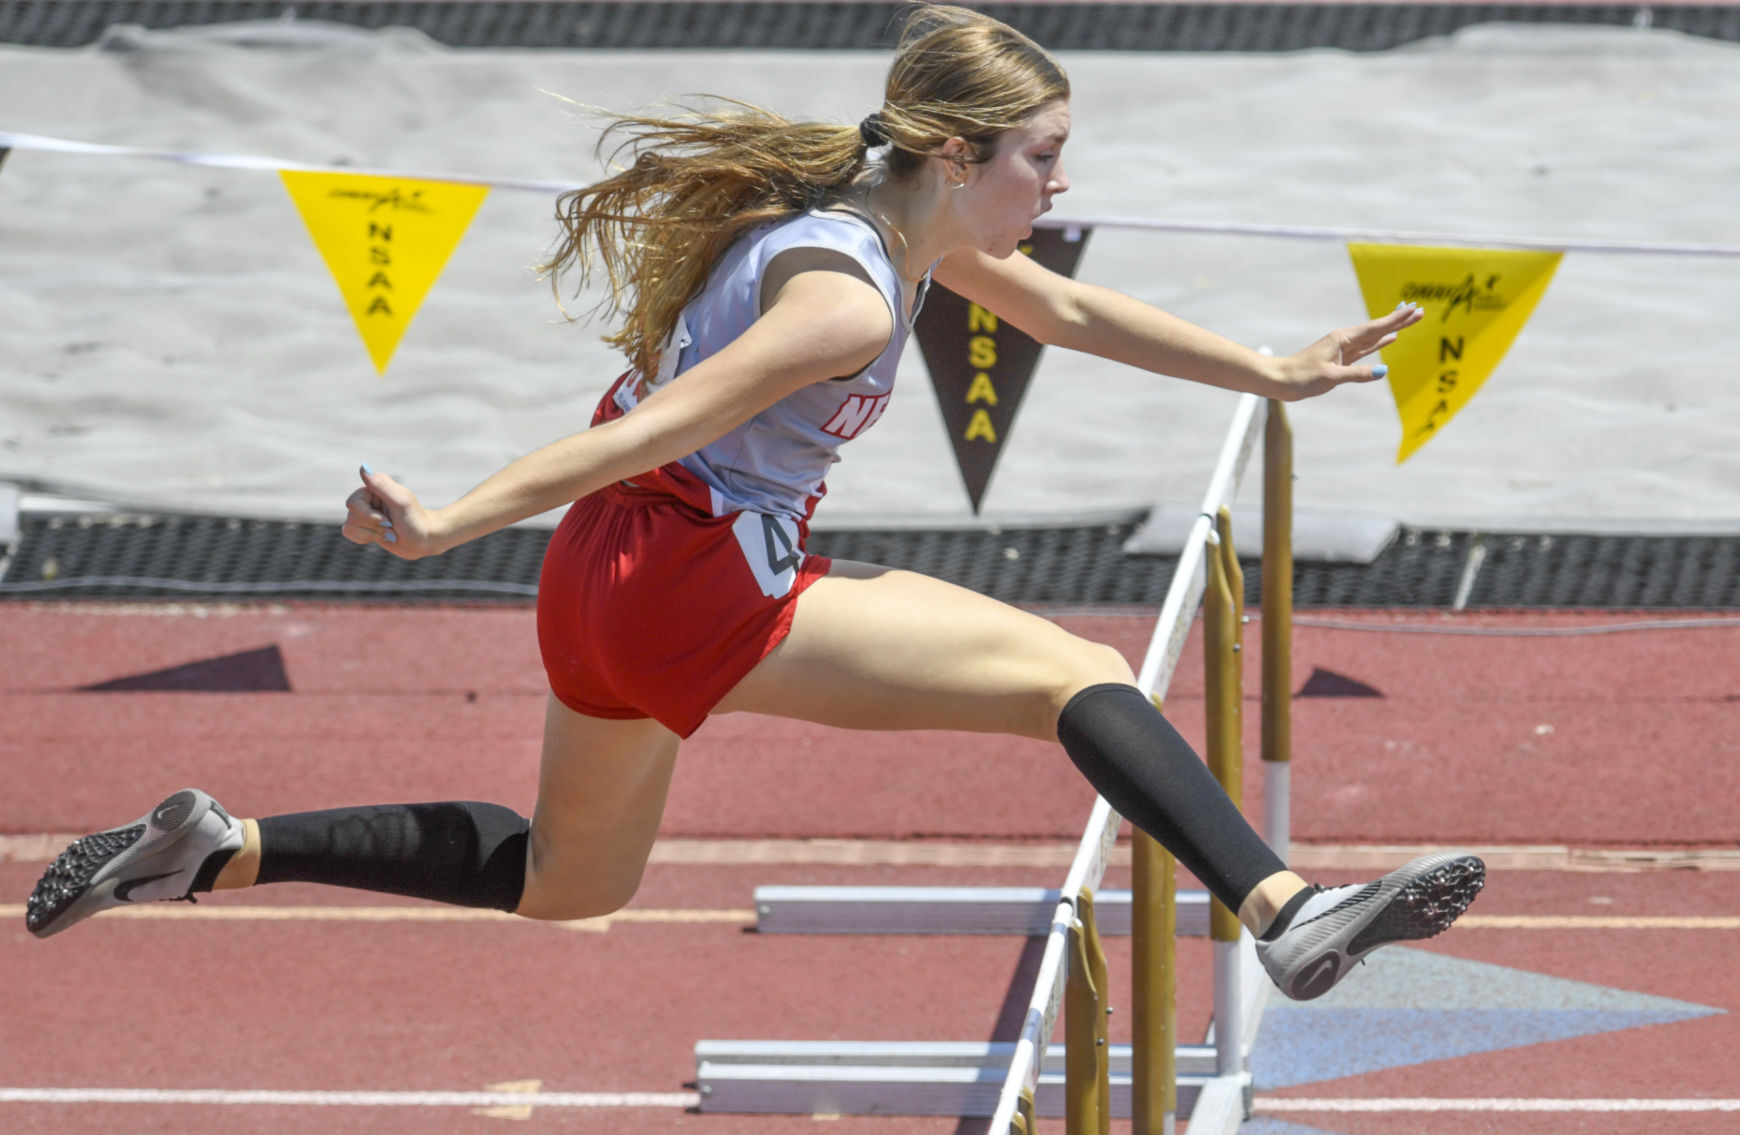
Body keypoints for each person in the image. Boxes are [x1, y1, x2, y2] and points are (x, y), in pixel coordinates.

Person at [27, 5, 1481, 1002]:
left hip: (606, 587)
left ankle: (218, 847)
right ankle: (1285, 915)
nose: (1059, 179)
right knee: (1079, 677)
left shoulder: (887, 229)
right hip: (692, 579)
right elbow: (652, 428)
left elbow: (1068, 306)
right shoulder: (846, 299)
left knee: (566, 881)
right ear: (959, 153)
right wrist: (444, 527)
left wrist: (1273, 369)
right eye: (1042, 155)